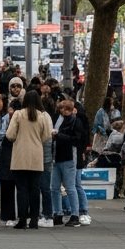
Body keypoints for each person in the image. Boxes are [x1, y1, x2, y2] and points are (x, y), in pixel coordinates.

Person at [5, 89, 53, 229]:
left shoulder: (18, 115)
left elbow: (10, 134)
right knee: (34, 189)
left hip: (20, 154)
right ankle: (34, 219)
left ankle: (22, 219)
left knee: (21, 189)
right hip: (36, 155)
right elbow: (46, 135)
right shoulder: (43, 116)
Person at [51, 97, 87, 227]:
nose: (63, 111)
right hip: (58, 156)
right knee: (55, 187)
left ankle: (74, 214)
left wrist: (58, 135)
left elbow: (77, 139)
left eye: (66, 109)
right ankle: (58, 213)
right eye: (62, 109)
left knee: (70, 187)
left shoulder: (75, 122)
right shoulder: (62, 120)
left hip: (68, 157)